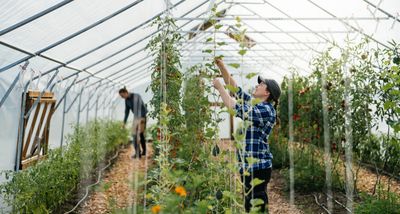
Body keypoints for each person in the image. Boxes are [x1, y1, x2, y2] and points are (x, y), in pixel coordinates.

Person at [213, 59, 280, 213]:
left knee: (256, 204)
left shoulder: (267, 110)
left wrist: (219, 88)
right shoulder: (257, 104)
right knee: (250, 202)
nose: (257, 85)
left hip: (258, 166)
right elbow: (235, 89)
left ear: (267, 92)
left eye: (261, 84)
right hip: (248, 165)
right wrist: (221, 65)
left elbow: (232, 105)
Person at [119, 87, 148, 159]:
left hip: (142, 117)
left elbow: (142, 107)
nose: (122, 97)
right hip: (136, 118)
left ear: (126, 92)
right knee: (135, 135)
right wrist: (124, 122)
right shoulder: (126, 100)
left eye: (122, 96)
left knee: (139, 134)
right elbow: (127, 112)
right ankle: (138, 153)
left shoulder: (136, 96)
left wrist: (141, 118)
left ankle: (143, 151)